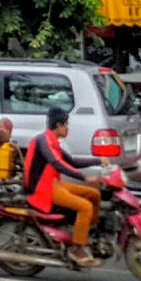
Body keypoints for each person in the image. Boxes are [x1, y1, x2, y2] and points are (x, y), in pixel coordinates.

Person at [26, 106, 105, 267]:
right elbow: (57, 163)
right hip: (43, 189)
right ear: (58, 126)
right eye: (66, 125)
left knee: (94, 194)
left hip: (54, 184)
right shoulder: (43, 141)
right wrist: (84, 177)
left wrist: (99, 160)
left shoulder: (52, 142)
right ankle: (77, 249)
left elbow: (72, 161)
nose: (67, 128)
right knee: (85, 207)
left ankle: (84, 232)